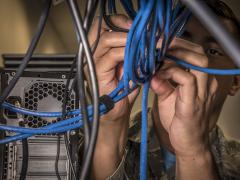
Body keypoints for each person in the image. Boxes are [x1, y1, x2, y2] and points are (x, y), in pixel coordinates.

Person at [87, 1, 240, 179]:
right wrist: (110, 126)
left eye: (213, 52)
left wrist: (194, 150)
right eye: (181, 40)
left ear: (236, 81)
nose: (194, 58)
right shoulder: (81, 145)